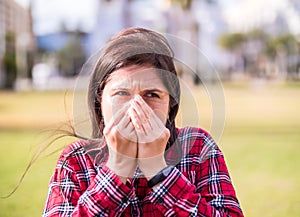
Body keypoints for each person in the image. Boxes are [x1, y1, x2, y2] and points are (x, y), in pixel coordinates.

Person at [42, 27, 244, 217]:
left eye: (152, 94)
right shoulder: (77, 161)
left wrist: (158, 170)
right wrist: (117, 169)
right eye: (121, 93)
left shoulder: (197, 147)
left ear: (170, 104)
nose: (136, 107)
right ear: (99, 101)